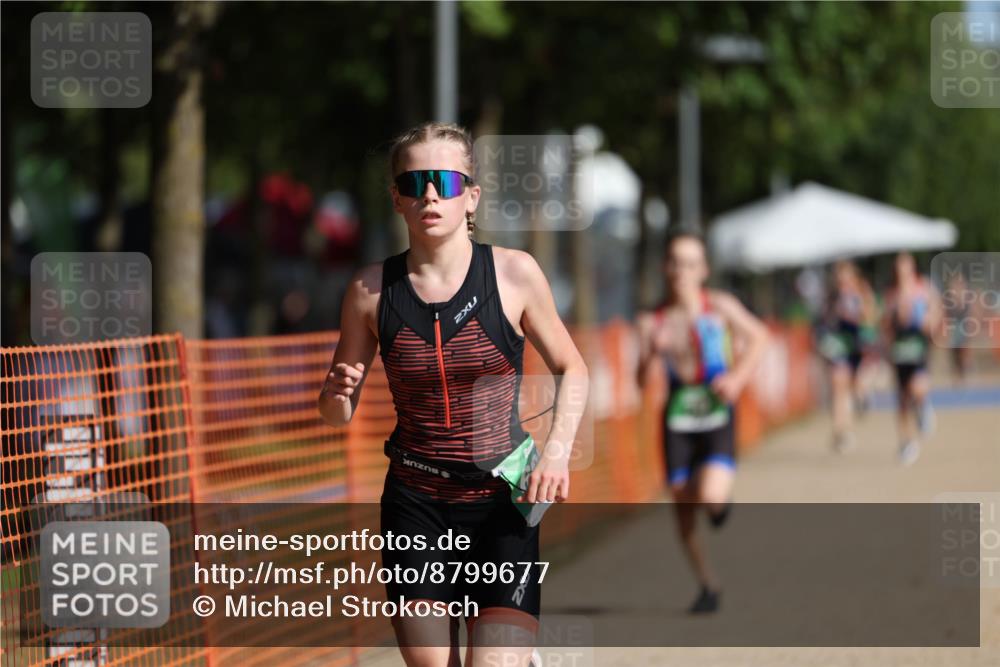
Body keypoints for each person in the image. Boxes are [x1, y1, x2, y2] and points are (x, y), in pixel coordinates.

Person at [318, 121, 589, 667]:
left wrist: (557, 454)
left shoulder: (514, 274)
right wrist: (335, 392)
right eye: (413, 183)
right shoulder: (370, 291)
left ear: (472, 196)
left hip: (502, 501)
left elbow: (572, 368)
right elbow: (336, 413)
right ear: (397, 198)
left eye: (444, 181)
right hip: (416, 503)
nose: (430, 195)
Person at [636, 230, 769, 614]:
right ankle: (708, 583)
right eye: (676, 263)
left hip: (715, 412)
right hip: (677, 419)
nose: (682, 271)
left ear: (704, 269)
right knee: (681, 509)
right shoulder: (652, 321)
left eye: (691, 263)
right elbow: (640, 383)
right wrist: (651, 354)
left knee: (709, 495)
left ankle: (717, 503)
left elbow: (760, 337)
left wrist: (738, 378)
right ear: (665, 268)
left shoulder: (720, 307)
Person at [882, 252, 941, 466]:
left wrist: (929, 321)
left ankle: (923, 408)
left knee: (918, 387)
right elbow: (885, 325)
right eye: (899, 267)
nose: (902, 271)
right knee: (902, 401)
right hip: (899, 352)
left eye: (905, 266)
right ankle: (906, 442)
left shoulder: (924, 288)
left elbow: (937, 314)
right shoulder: (891, 294)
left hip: (918, 348)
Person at [816, 261, 879, 452]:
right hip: (839, 345)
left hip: (859, 344)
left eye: (846, 278)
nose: (842, 282)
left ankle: (862, 398)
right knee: (838, 385)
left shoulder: (862, 292)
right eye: (839, 279)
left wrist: (857, 311)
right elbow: (823, 321)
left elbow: (871, 317)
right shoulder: (832, 296)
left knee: (855, 386)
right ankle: (840, 431)